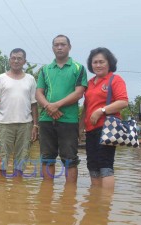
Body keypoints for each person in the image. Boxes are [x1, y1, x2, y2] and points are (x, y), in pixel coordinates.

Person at [36, 35, 88, 183]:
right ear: (52, 48)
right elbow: (39, 92)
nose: (59, 47)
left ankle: (70, 198)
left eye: (63, 44)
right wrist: (48, 106)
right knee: (47, 158)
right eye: (56, 45)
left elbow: (79, 93)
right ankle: (46, 193)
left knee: (70, 160)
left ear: (69, 47)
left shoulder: (78, 68)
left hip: (68, 120)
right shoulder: (45, 69)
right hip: (46, 119)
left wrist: (56, 105)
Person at [79, 47, 128, 189]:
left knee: (105, 164)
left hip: (107, 128)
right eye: (95, 62)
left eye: (102, 62)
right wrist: (80, 127)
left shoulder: (115, 79)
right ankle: (95, 200)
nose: (98, 65)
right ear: (91, 64)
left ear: (109, 63)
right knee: (92, 164)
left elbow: (123, 102)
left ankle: (106, 204)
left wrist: (101, 111)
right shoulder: (89, 83)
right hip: (90, 130)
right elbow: (86, 107)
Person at [0, 48, 38, 177]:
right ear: (9, 60)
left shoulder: (31, 79)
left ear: (24, 61)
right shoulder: (1, 78)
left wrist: (35, 125)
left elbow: (34, 104)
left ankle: (17, 191)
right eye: (13, 58)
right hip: (4, 124)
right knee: (1, 161)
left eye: (19, 58)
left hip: (26, 124)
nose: (16, 61)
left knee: (21, 161)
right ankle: (1, 194)